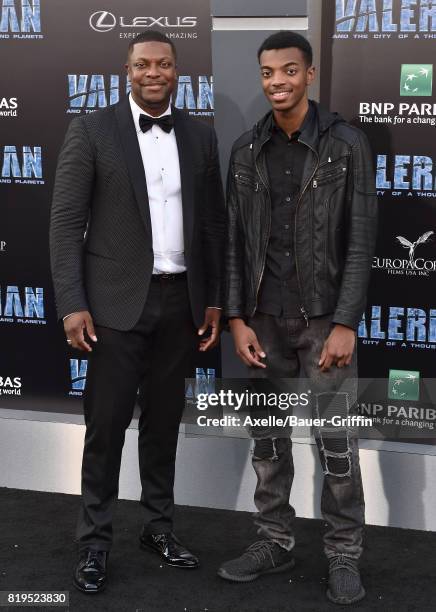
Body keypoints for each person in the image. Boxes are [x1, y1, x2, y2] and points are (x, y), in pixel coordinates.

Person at [50, 30, 225, 593]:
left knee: (163, 423)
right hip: (113, 306)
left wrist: (215, 298)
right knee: (104, 428)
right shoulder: (92, 128)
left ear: (178, 71)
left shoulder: (200, 135)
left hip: (181, 303)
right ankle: (94, 542)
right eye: (144, 64)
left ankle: (158, 526)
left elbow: (215, 227)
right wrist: (73, 304)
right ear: (127, 70)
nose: (155, 72)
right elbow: (64, 224)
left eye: (165, 64)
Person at [219, 31, 377, 605]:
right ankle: (274, 541)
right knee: (268, 443)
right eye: (267, 73)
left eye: (288, 71)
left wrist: (345, 321)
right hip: (262, 323)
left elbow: (360, 242)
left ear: (309, 75)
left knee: (337, 444)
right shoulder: (245, 149)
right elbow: (235, 244)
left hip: (323, 323)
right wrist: (237, 319)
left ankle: (343, 555)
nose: (277, 82)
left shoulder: (345, 144)